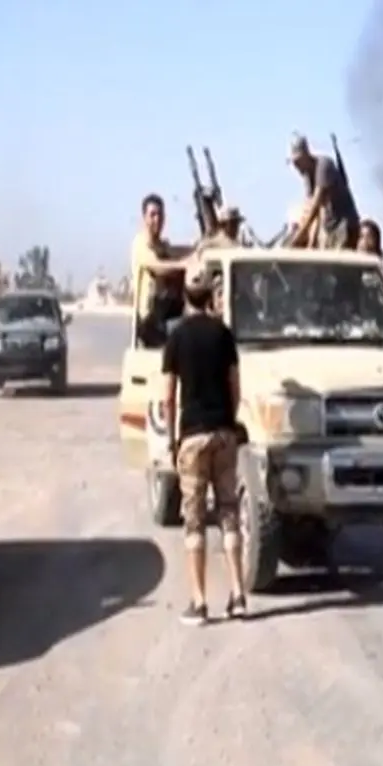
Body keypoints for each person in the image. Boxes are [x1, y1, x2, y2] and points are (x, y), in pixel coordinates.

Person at [161, 269, 246, 625]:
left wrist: (172, 439)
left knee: (194, 521)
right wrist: (229, 419)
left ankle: (199, 602)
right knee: (229, 513)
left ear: (185, 296)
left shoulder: (176, 337)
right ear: (210, 295)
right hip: (224, 433)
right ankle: (238, 595)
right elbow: (235, 386)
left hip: (193, 437)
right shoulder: (224, 334)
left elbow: (168, 396)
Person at [288, 135, 360, 250]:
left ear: (306, 155)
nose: (296, 167)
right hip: (330, 226)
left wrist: (299, 236)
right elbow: (314, 211)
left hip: (344, 225)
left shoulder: (323, 165)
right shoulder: (308, 176)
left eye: (298, 162)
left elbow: (315, 206)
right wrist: (311, 243)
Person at [131, 194, 184, 344]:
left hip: (163, 313)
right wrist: (185, 264)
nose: (157, 219)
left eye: (160, 215)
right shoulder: (141, 244)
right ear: (144, 218)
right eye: (152, 215)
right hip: (148, 321)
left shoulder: (161, 245)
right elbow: (158, 267)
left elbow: (177, 252)